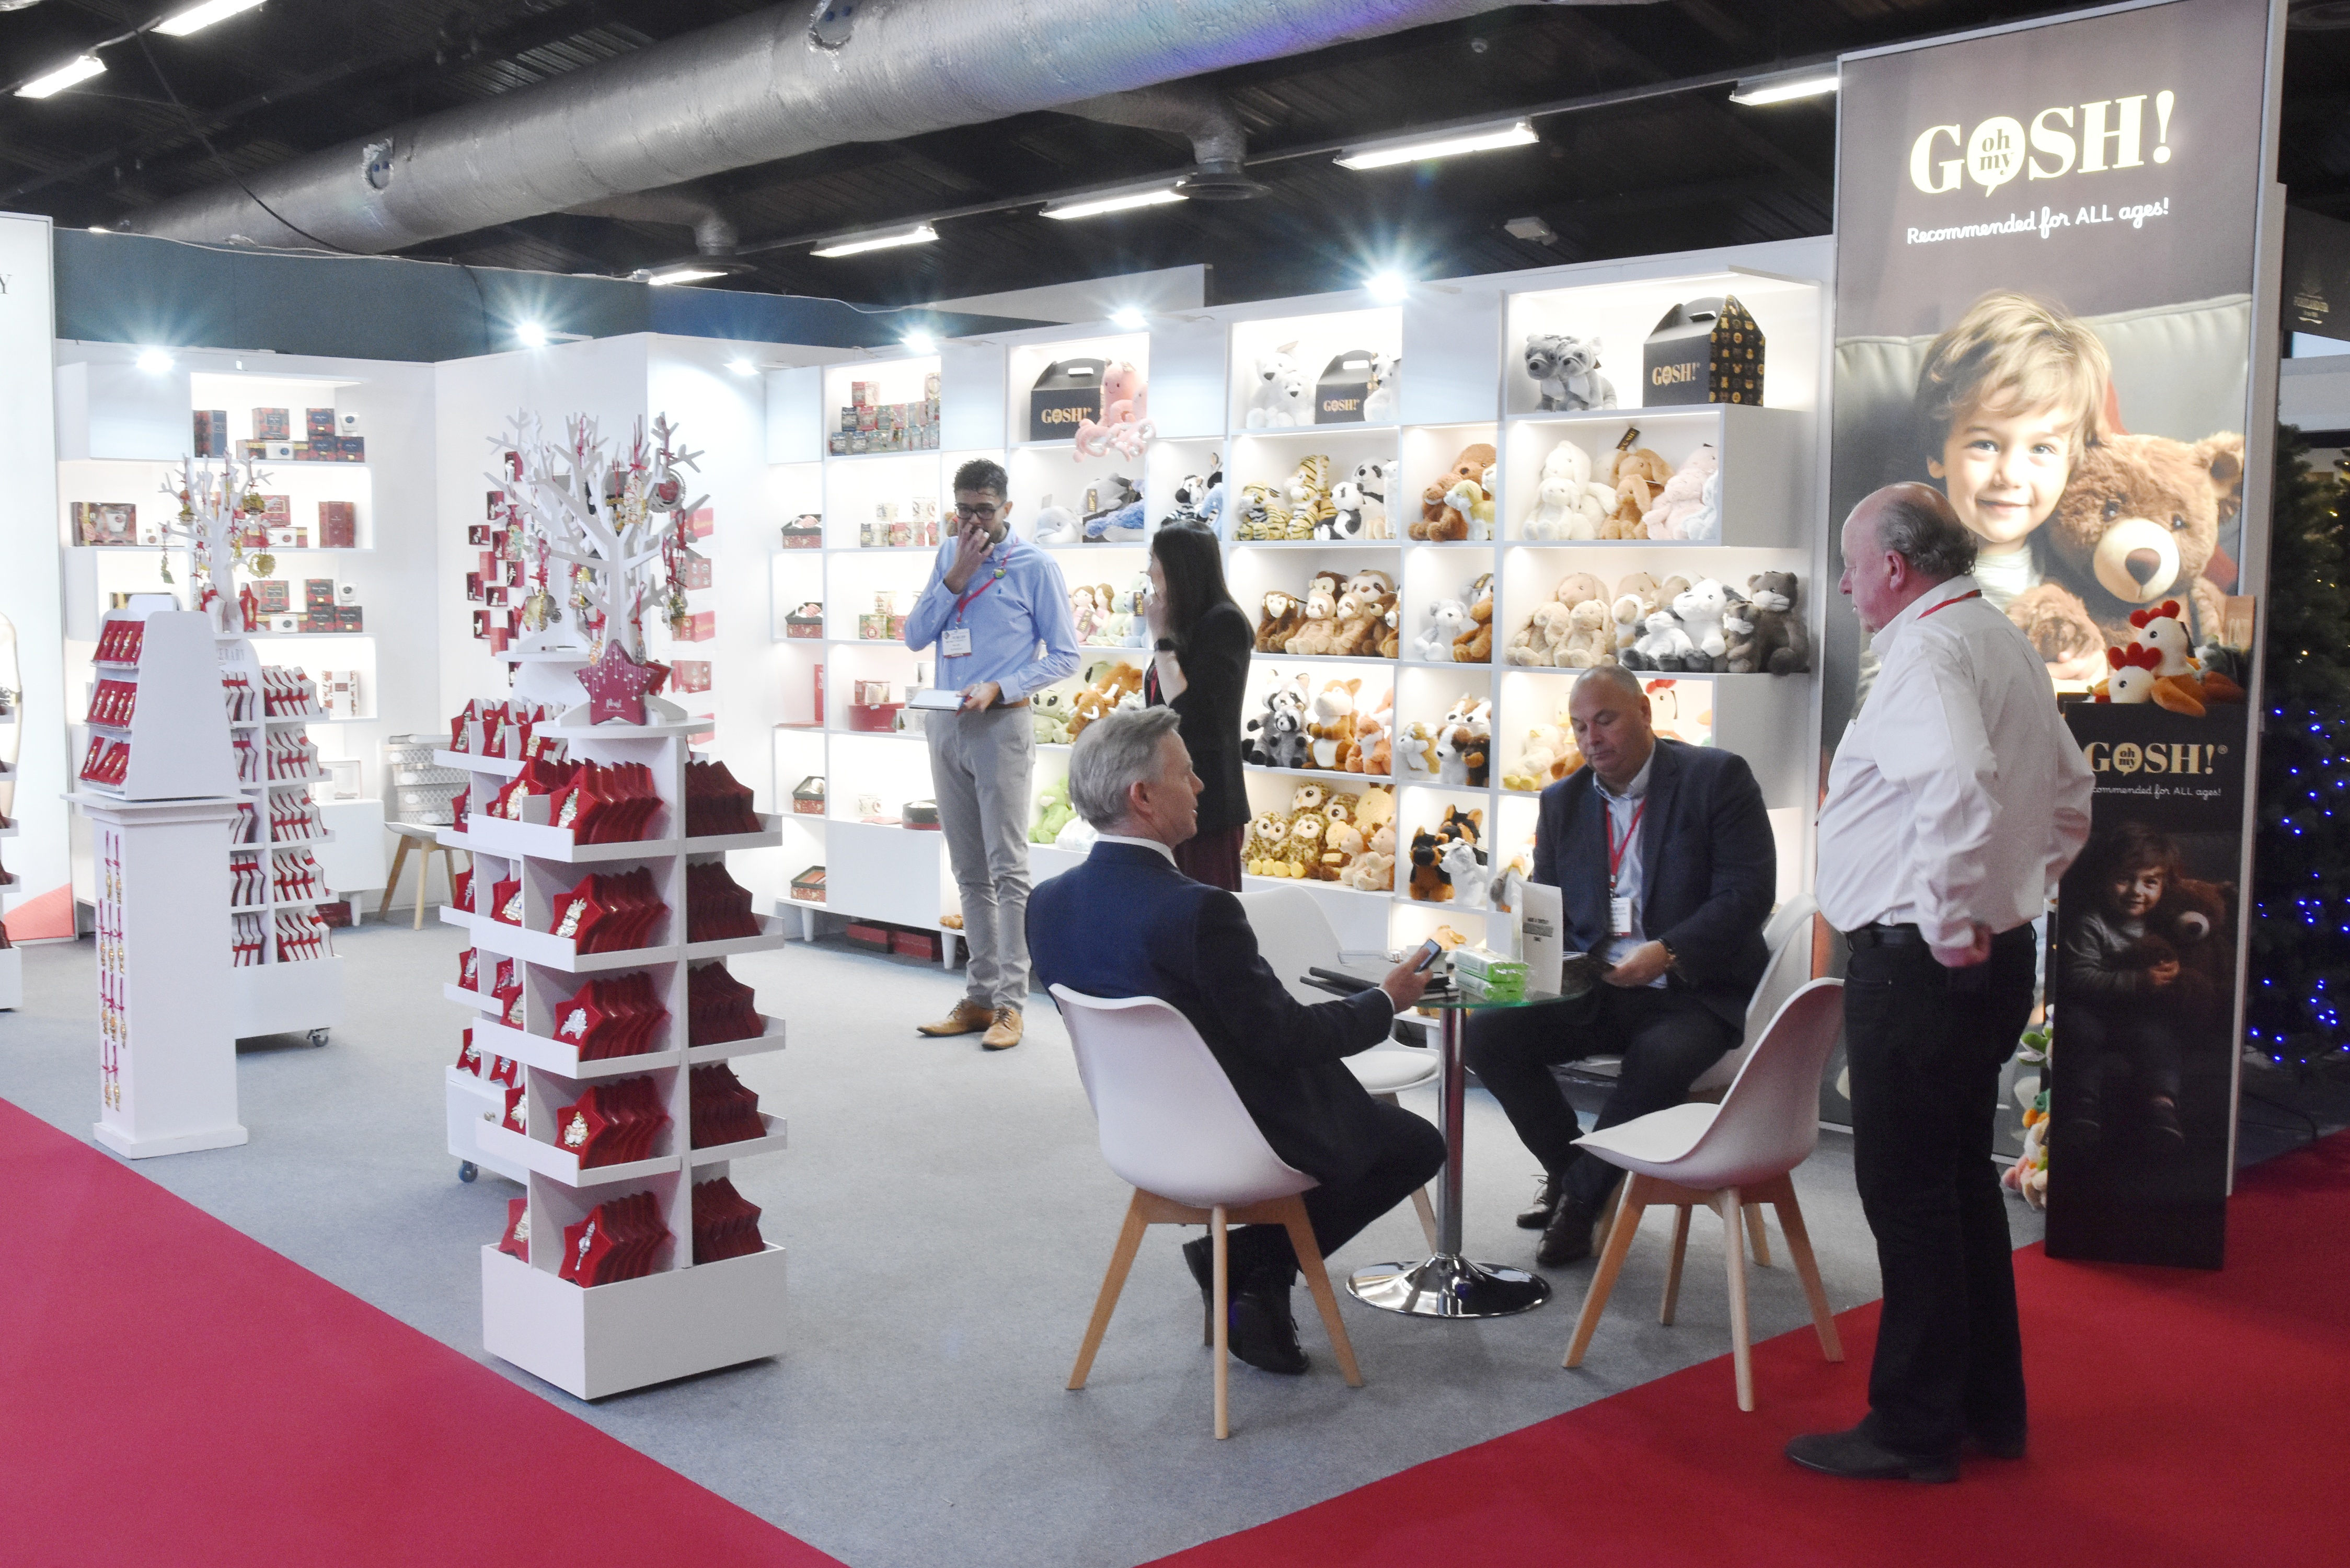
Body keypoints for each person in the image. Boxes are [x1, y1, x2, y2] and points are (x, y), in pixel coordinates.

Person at [1795, 483, 2093, 1484]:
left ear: (1893, 566)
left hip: (1924, 964)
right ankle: (1986, 1407)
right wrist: (2007, 897)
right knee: (1959, 1182)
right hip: (1983, 957)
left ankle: (1914, 1429)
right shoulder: (1997, 637)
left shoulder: (1927, 651)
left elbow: (1961, 788)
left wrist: (1955, 916)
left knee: (1910, 1195)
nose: (1844, 585)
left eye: (1851, 565)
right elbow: (2070, 800)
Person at [1027, 707, 1444, 1375]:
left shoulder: (1045, 903)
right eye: (1187, 774)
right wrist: (1384, 1002)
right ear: (1142, 796)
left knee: (1368, 1123)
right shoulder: (1199, 910)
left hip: (1136, 1133)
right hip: (1240, 1138)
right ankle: (1254, 1261)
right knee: (1416, 1142)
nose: (1201, 787)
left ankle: (1253, 1272)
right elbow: (1286, 1038)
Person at [1464, 663, 1776, 1269]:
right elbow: (1553, 908)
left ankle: (1582, 1203)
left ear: (1644, 713)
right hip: (1601, 983)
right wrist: (1539, 956)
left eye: (1604, 720)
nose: (1591, 739)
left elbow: (1748, 893)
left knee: (1658, 1057)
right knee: (1487, 1034)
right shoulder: (1561, 801)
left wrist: (1669, 950)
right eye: (1579, 726)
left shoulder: (1715, 778)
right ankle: (1570, 1171)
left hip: (1693, 987)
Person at [902, 457, 1080, 1052]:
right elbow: (915, 636)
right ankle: (978, 997)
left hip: (1001, 724)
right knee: (968, 870)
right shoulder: (948, 555)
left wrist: (1002, 687)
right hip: (945, 723)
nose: (972, 521)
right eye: (963, 510)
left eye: (983, 510)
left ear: (1007, 508)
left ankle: (1011, 1004)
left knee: (1008, 869)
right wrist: (955, 575)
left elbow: (1065, 655)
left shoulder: (1036, 566)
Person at [1914, 290, 2111, 683]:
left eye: (2041, 449)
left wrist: (2100, 677)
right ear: (1937, 453)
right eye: (1985, 444)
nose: (2010, 475)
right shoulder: (1912, 580)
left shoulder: (2084, 572)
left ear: (2072, 465)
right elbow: (1884, 698)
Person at [2057, 823, 2195, 1155]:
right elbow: (2078, 977)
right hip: (2092, 1008)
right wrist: (2138, 980)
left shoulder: (2162, 923)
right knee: (2080, 1033)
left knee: (2161, 1039)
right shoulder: (2092, 924)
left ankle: (2162, 1106)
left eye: (2150, 882)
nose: (2137, 891)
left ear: (2163, 885)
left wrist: (2174, 972)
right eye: (2124, 879)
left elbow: (2180, 956)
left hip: (2138, 1015)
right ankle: (2083, 1106)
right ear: (2103, 879)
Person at [1142, 520, 1253, 890]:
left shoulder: (1225, 622)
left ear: (1179, 566)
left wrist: (1161, 640)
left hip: (1207, 801)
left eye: (1154, 560)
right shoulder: (1182, 623)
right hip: (1167, 795)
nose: (1149, 571)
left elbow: (1188, 712)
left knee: (1208, 910)